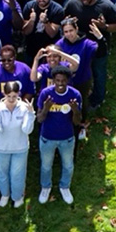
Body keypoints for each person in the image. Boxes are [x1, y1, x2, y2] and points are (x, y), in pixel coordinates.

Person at [36, 65, 82, 204]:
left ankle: (65, 186)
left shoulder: (75, 95)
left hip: (67, 138)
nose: (60, 84)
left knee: (68, 165)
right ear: (53, 80)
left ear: (68, 80)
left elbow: (77, 122)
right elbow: (39, 119)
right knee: (46, 165)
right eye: (57, 80)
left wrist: (75, 110)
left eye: (63, 81)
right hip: (47, 138)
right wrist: (46, 108)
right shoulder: (45, 94)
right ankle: (45, 187)